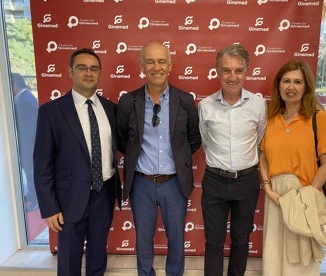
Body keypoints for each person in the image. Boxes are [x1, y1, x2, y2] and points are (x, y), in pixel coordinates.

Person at [33, 48, 121, 276]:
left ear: (100, 73)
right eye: (82, 68)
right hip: (68, 200)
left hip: (104, 194)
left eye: (93, 69)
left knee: (98, 254)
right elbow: (42, 164)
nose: (88, 73)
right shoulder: (51, 112)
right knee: (69, 259)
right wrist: (49, 207)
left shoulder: (111, 109)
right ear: (71, 72)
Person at [117, 41, 201, 276]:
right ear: (142, 66)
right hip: (141, 183)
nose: (157, 67)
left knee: (176, 239)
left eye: (162, 61)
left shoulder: (184, 101)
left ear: (170, 66)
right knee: (143, 240)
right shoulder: (128, 102)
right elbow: (123, 140)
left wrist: (180, 159)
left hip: (174, 183)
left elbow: (194, 138)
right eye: (151, 61)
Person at [259, 59, 326, 276]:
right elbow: (263, 156)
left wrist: (306, 195)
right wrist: (268, 188)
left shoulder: (318, 118)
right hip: (275, 195)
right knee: (275, 254)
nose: (291, 87)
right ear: (278, 85)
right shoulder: (272, 119)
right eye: (286, 81)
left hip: (305, 194)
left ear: (307, 87)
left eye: (297, 82)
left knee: (301, 259)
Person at [198, 44, 267, 276]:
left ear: (247, 71)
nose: (232, 76)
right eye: (226, 70)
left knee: (241, 239)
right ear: (218, 71)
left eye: (238, 70)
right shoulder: (205, 106)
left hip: (246, 182)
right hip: (215, 181)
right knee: (213, 242)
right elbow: (205, 141)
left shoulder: (258, 105)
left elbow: (259, 140)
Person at [11, 72, 39, 212]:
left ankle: (35, 200)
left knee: (31, 172)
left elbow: (30, 127)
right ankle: (31, 196)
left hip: (29, 145)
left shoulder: (24, 101)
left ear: (14, 85)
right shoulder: (26, 98)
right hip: (28, 145)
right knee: (29, 172)